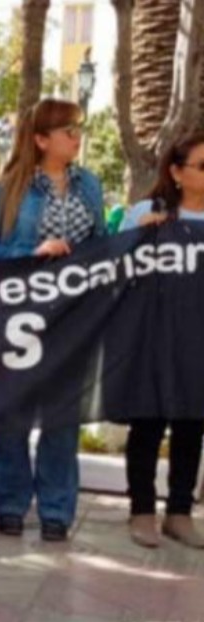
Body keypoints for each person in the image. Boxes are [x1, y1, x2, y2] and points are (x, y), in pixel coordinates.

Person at [0, 98, 106, 542]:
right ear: (41, 139)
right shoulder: (8, 190)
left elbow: (101, 245)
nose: (76, 137)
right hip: (19, 316)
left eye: (77, 129)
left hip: (74, 317)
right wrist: (28, 255)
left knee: (62, 418)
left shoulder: (91, 187)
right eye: (68, 130)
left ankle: (56, 511)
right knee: (14, 413)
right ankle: (10, 503)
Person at [118, 132, 204, 549]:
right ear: (176, 171)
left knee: (192, 426)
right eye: (202, 166)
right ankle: (142, 511)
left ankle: (180, 513)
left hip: (197, 345)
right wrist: (137, 237)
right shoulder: (145, 214)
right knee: (148, 425)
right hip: (150, 342)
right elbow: (109, 270)